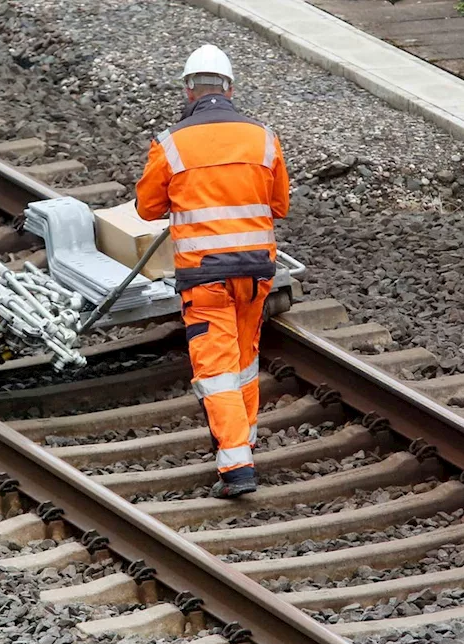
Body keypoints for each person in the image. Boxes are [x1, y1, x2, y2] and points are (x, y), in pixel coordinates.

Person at [135, 44, 290, 499]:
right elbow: (279, 204)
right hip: (256, 273)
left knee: (218, 370)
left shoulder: (170, 142)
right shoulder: (264, 138)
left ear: (188, 91)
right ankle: (244, 443)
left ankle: (237, 467)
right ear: (230, 88)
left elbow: (147, 209)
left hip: (205, 280)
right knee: (243, 365)